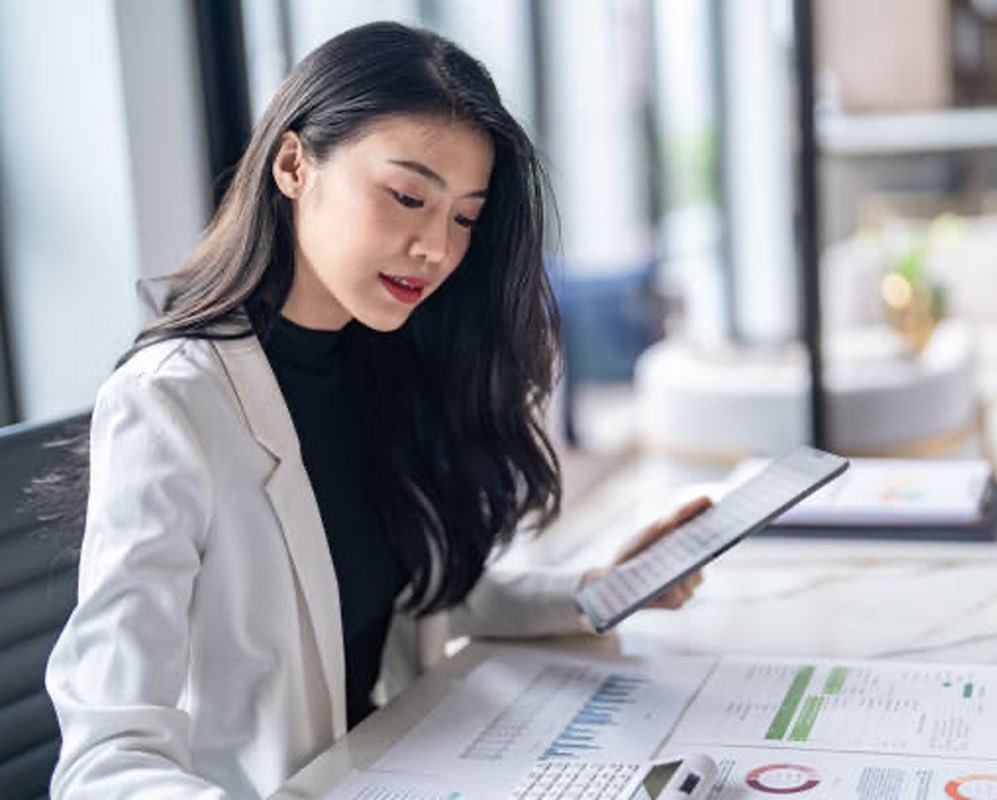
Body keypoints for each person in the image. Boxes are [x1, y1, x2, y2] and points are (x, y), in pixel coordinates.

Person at [44, 21, 709, 799]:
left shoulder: (384, 357)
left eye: (463, 217)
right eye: (406, 196)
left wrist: (598, 588)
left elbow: (410, 590)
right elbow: (104, 760)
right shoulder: (171, 402)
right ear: (294, 164)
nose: (436, 247)